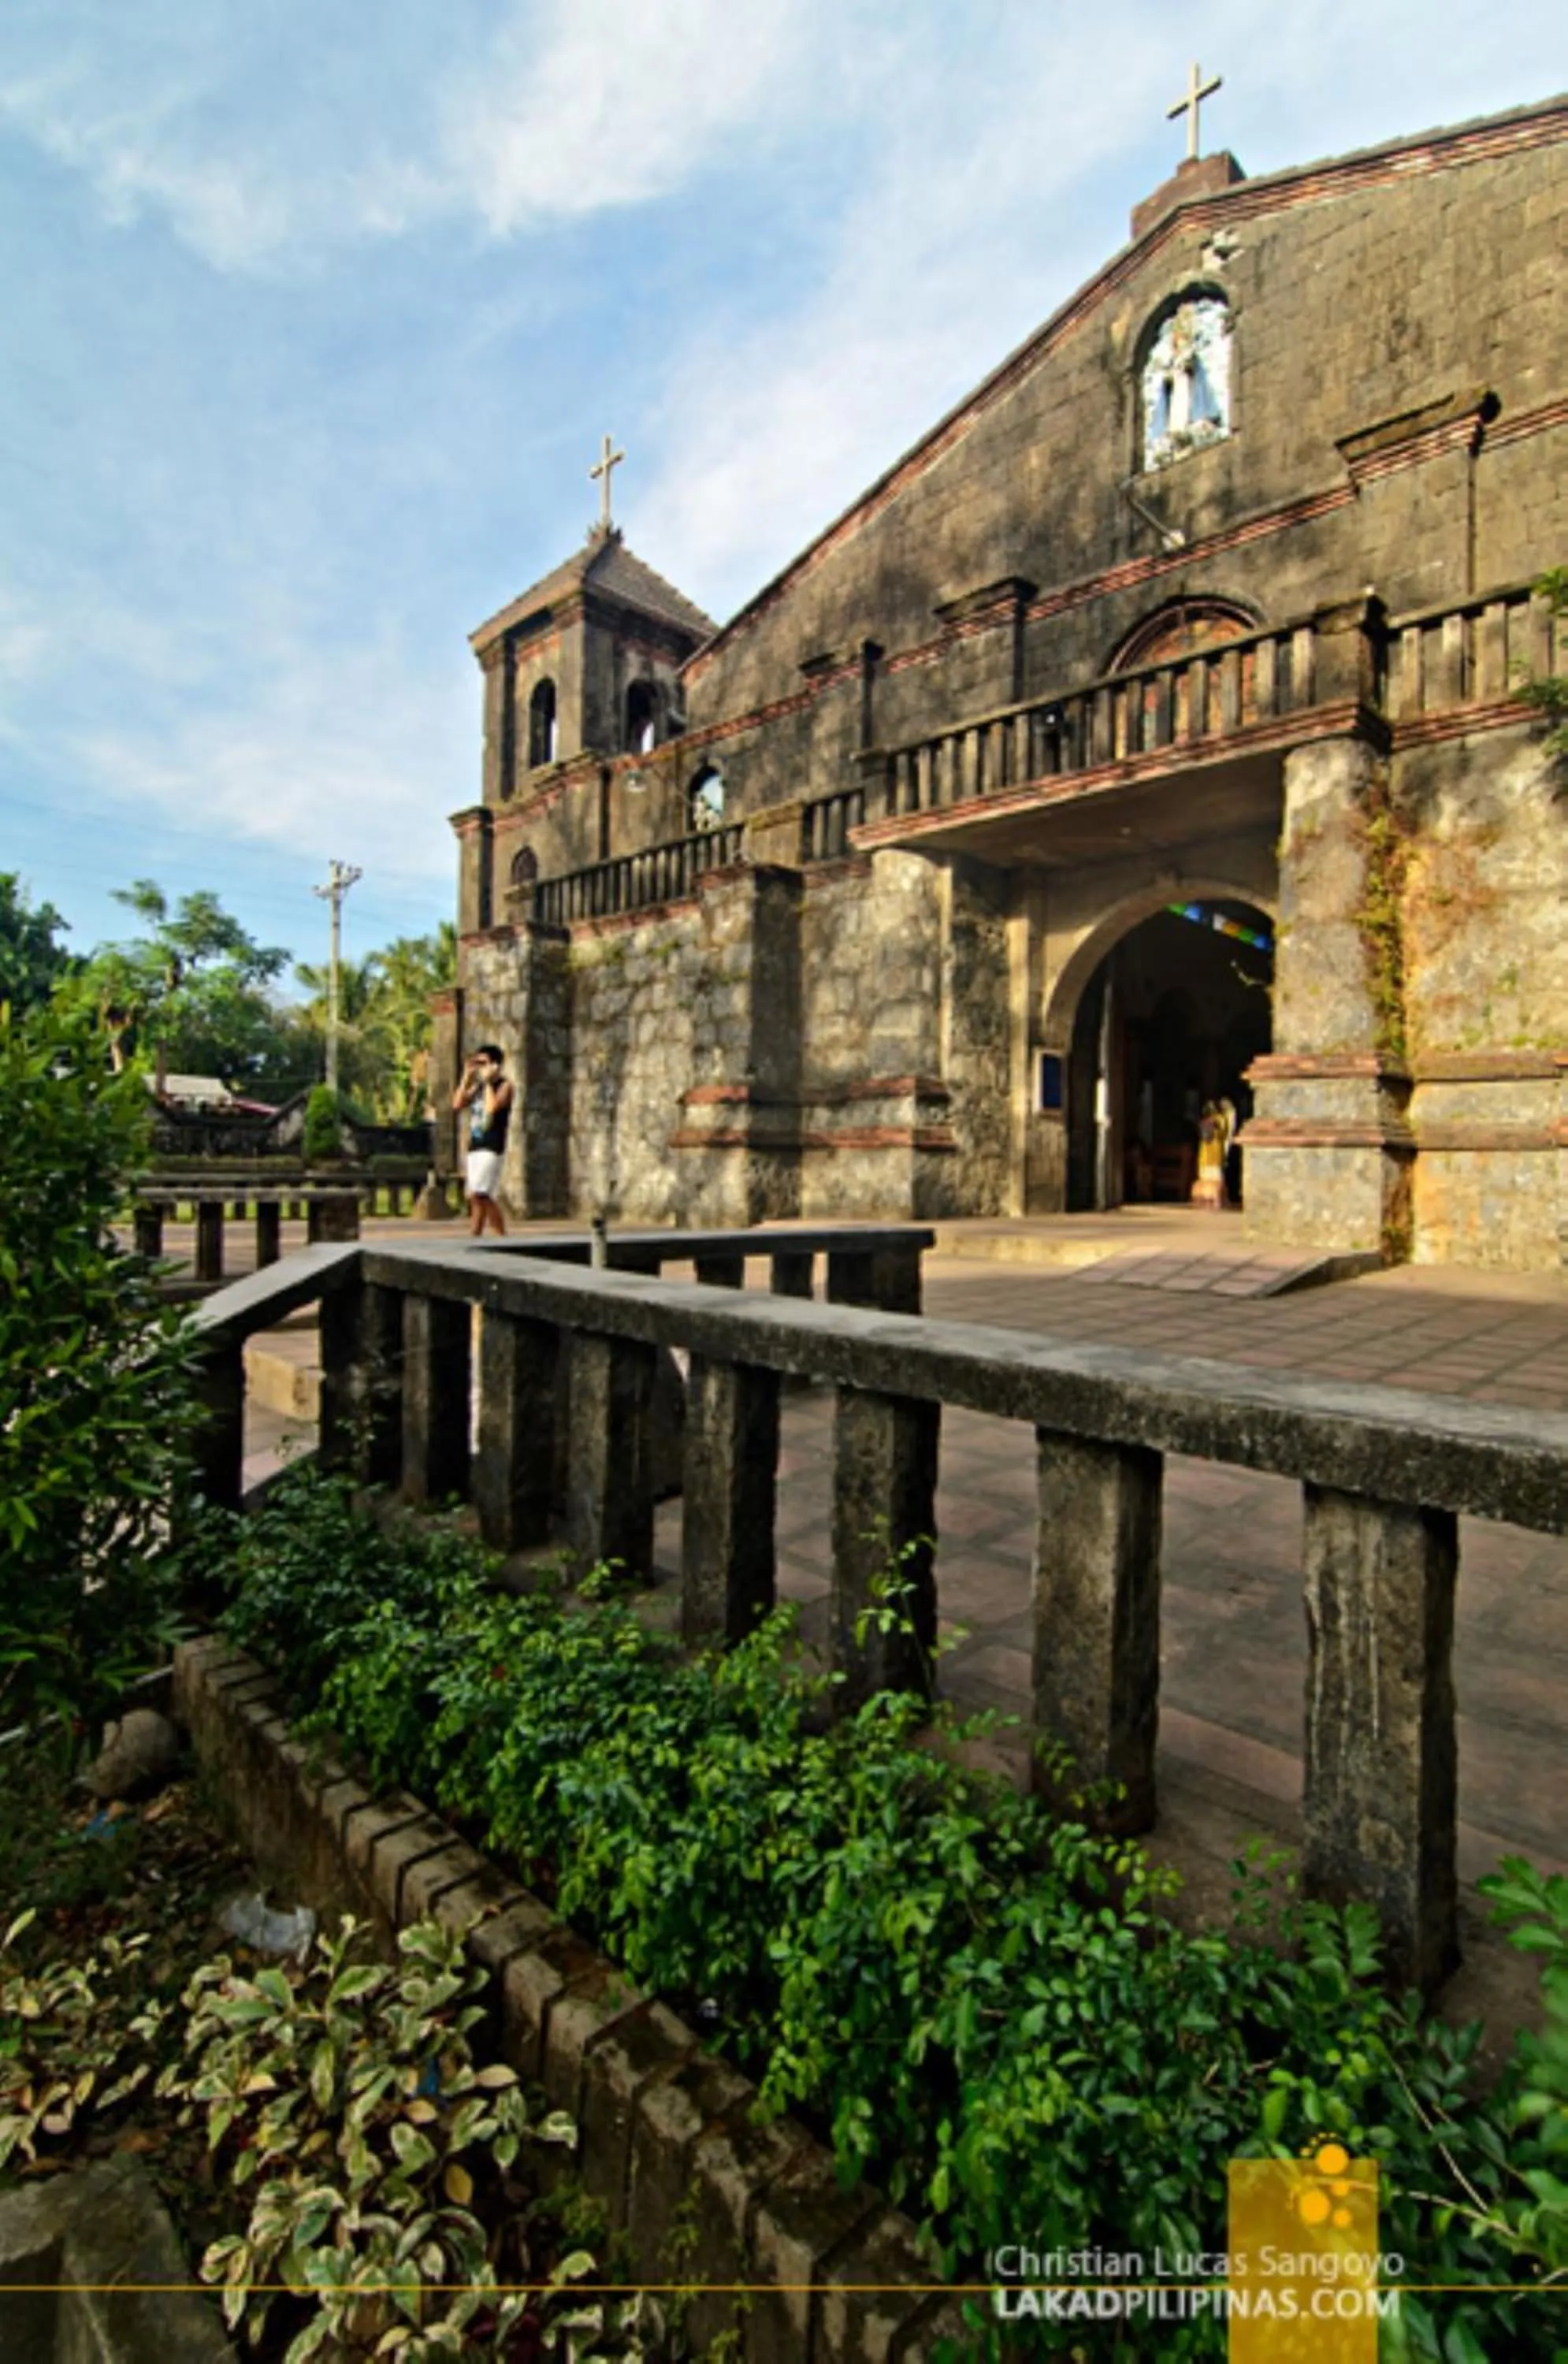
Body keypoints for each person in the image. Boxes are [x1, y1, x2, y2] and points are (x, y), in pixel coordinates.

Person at [451, 1044, 513, 1236]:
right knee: (475, 1196)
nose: (480, 1067)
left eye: (484, 1063)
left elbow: (492, 1108)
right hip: (475, 1146)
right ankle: (475, 1234)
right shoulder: (477, 1087)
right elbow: (457, 1104)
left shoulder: (505, 1086)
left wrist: (487, 1083)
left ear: (495, 1065)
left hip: (492, 1147)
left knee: (481, 1194)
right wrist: (466, 1078)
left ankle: (501, 1235)